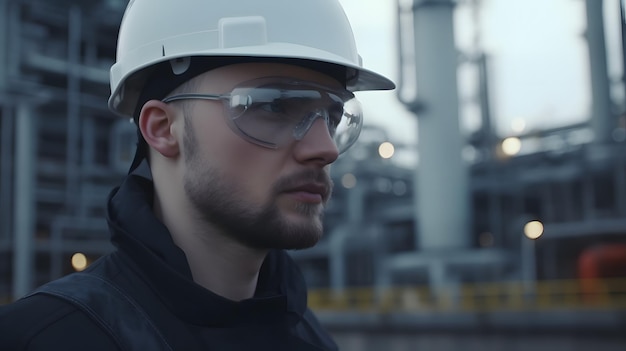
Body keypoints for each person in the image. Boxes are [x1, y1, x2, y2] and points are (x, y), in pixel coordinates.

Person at [0, 0, 394, 349]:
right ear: (161, 128)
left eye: (333, 116)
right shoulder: (41, 337)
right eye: (273, 106)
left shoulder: (309, 337)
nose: (324, 148)